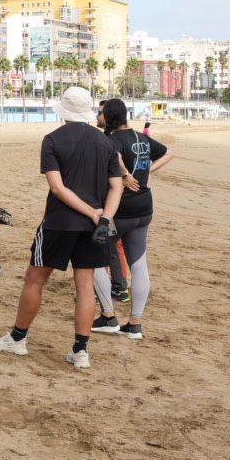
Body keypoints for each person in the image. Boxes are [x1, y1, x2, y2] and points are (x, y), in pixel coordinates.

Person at [0, 86, 123, 370]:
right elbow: (116, 186)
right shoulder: (106, 143)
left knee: (35, 279)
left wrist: (91, 213)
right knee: (85, 286)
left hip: (59, 222)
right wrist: (104, 218)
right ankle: (80, 351)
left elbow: (58, 188)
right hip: (94, 227)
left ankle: (18, 338)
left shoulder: (52, 140)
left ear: (63, 110)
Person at [91, 98, 172, 340]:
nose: (98, 116)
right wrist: (145, 174)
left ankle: (108, 316)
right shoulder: (142, 137)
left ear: (111, 116)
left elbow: (114, 155)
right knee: (138, 263)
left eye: (101, 113)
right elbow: (169, 153)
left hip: (120, 209)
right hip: (144, 207)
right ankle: (135, 324)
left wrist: (126, 174)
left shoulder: (110, 139)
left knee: (93, 260)